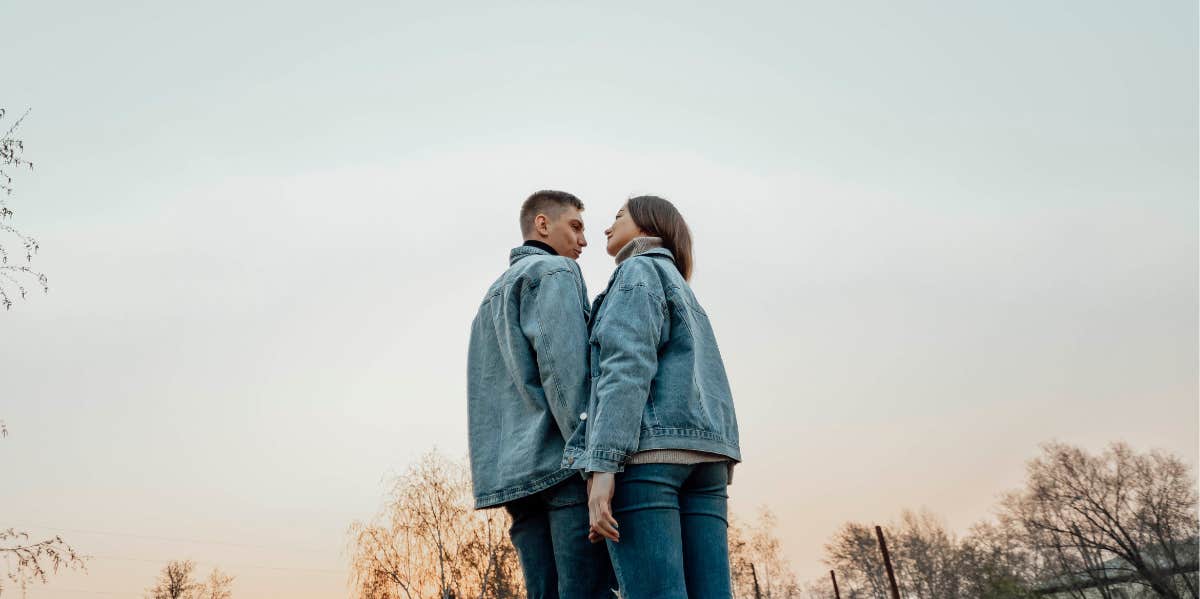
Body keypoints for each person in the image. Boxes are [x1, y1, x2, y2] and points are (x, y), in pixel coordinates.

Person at [563, 195, 741, 599]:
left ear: (646, 225)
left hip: (650, 459)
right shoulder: (683, 288)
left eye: (618, 217)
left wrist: (603, 468)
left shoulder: (637, 273)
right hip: (708, 461)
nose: (607, 228)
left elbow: (626, 367)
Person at [467, 190, 613, 598]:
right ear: (543, 224)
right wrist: (592, 460)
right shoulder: (556, 273)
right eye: (576, 226)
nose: (584, 241)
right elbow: (564, 372)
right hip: (562, 465)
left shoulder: (491, 296)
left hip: (515, 477)